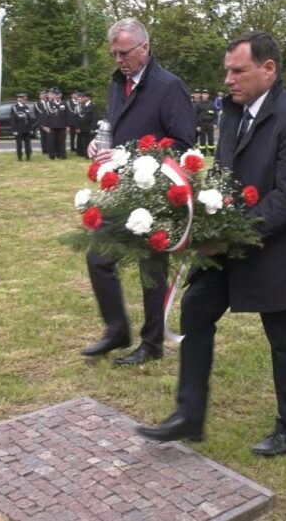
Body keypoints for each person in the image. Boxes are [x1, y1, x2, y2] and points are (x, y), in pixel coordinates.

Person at [136, 31, 286, 458]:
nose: (228, 79)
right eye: (227, 70)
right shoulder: (234, 112)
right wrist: (201, 215)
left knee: (285, 339)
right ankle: (189, 414)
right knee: (196, 309)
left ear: (269, 69)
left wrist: (228, 233)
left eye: (237, 70)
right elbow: (227, 176)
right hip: (228, 244)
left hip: (278, 250)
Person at [81, 18, 196, 365]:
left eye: (124, 52)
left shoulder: (169, 87)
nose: (118, 59)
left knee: (151, 269)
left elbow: (182, 144)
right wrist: (100, 144)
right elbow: (116, 129)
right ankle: (116, 329)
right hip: (123, 188)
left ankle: (152, 343)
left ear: (144, 48)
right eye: (114, 53)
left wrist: (130, 155)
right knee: (98, 256)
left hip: (157, 190)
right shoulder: (119, 84)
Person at [11, 93, 36, 161]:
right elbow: (13, 120)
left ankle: (28, 156)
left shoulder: (26, 107)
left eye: (26, 99)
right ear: (20, 99)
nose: (26, 100)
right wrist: (14, 130)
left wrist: (30, 129)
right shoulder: (14, 107)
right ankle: (20, 157)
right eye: (24, 99)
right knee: (19, 144)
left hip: (27, 129)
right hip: (19, 129)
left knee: (28, 144)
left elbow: (29, 119)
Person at [195, 88, 217, 156]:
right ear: (202, 95)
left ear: (208, 95)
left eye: (206, 94)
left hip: (210, 123)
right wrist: (197, 125)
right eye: (204, 94)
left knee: (211, 138)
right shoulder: (198, 104)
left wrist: (215, 124)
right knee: (202, 139)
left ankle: (212, 151)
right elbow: (195, 115)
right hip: (201, 124)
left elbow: (215, 115)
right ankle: (203, 152)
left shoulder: (212, 104)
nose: (205, 95)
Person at [75, 91, 96, 157]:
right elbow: (78, 117)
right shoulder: (81, 106)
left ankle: (88, 154)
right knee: (82, 141)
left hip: (89, 127)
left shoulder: (92, 106)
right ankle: (83, 153)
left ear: (87, 98)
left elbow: (95, 118)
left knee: (88, 141)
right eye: (81, 97)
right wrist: (77, 127)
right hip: (81, 127)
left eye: (83, 97)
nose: (81, 98)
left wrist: (93, 128)